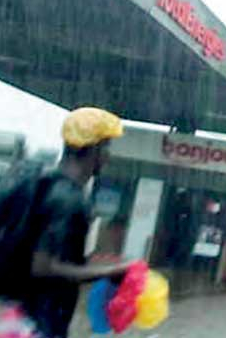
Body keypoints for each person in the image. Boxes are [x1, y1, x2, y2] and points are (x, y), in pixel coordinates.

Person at [12, 107, 135, 338]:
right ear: (94, 149)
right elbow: (43, 267)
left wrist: (100, 266)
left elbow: (61, 258)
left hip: (29, 314)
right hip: (42, 321)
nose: (108, 156)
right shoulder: (67, 199)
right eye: (106, 148)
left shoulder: (49, 185)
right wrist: (110, 271)